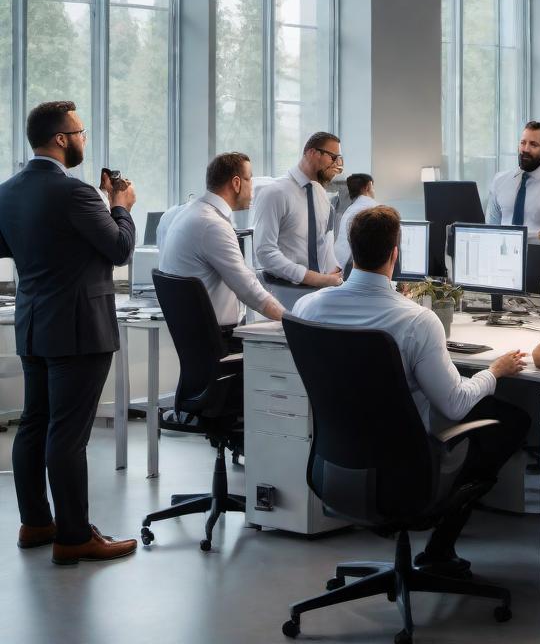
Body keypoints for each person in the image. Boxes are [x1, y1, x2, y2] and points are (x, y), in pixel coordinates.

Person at [293, 205, 531, 574]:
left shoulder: (307, 308)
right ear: (395, 254)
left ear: (351, 252)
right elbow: (455, 404)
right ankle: (439, 549)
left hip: (334, 466)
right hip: (404, 477)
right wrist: (494, 371)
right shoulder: (416, 321)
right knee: (510, 421)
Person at [0, 100, 138, 563]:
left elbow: (25, 246)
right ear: (61, 138)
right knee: (69, 434)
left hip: (34, 322)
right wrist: (119, 206)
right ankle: (75, 536)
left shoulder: (8, 191)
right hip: (79, 329)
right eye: (80, 131)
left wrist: (99, 204)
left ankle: (36, 522)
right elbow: (119, 249)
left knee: (34, 423)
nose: (83, 139)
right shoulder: (76, 193)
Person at [159, 152, 285, 349]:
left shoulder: (190, 212)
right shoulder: (212, 225)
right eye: (250, 179)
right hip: (220, 343)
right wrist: (293, 322)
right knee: (285, 352)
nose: (253, 187)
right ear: (236, 183)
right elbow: (250, 291)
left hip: (197, 340)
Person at [253, 131, 344, 289]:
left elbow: (324, 244)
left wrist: (335, 273)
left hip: (319, 293)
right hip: (282, 293)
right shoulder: (275, 193)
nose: (338, 165)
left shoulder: (321, 195)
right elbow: (265, 252)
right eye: (333, 157)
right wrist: (312, 278)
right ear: (312, 153)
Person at [485, 121, 540, 242]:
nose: (525, 149)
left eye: (534, 145)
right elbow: (490, 232)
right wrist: (539, 235)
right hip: (502, 257)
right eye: (523, 143)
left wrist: (520, 238)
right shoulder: (500, 181)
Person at [336, 173, 376, 272]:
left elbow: (341, 247)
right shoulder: (376, 209)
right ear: (368, 186)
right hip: (369, 268)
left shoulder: (350, 210)